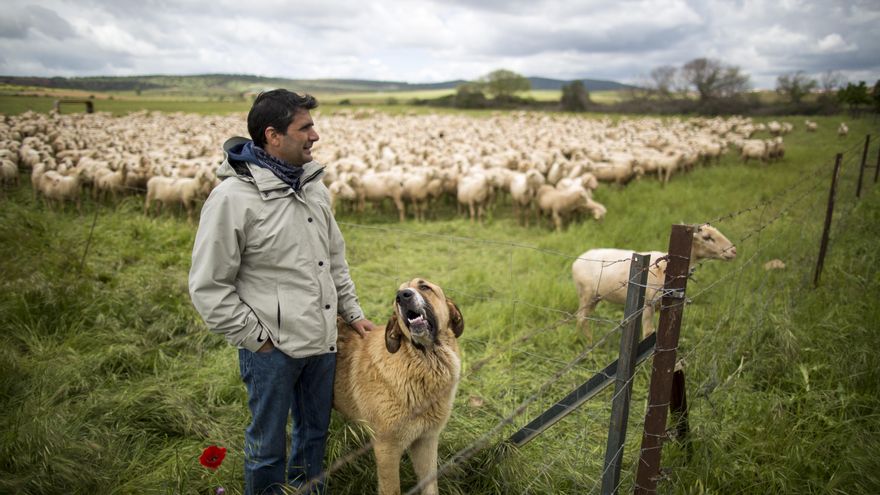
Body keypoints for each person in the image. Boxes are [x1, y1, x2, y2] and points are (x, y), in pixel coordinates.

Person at [189, 89, 376, 495]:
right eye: (305, 127)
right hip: (272, 351)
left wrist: (353, 312)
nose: (315, 136)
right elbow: (208, 284)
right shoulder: (232, 199)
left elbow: (334, 260)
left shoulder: (314, 188)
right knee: (267, 448)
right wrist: (258, 340)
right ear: (273, 136)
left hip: (323, 342)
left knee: (313, 438)